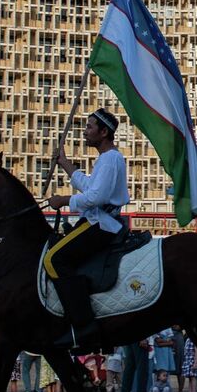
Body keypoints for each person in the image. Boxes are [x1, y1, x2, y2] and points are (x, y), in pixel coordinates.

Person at [45, 108, 130, 353]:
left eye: (89, 127)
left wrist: (64, 200)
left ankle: (83, 327)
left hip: (101, 224)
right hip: (97, 221)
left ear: (103, 132)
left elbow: (95, 197)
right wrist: (65, 163)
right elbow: (91, 186)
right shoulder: (106, 158)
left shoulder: (111, 159)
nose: (85, 132)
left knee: (54, 259)